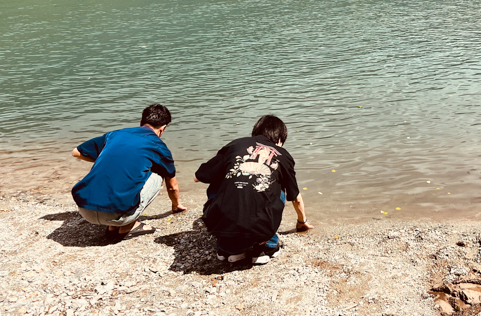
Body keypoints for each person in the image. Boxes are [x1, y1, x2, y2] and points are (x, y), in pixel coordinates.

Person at [195, 115, 313, 265]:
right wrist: (302, 221)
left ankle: (227, 246)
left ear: (255, 132)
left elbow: (199, 176)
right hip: (262, 230)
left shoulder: (236, 145)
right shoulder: (283, 155)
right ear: (280, 139)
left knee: (217, 182)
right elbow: (295, 196)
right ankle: (266, 245)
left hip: (219, 227)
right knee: (278, 187)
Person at [71, 103, 186, 241]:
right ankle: (127, 227)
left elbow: (76, 152)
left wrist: (107, 158)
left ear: (141, 122)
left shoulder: (115, 134)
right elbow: (172, 186)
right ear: (162, 129)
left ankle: (112, 227)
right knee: (158, 173)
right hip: (115, 215)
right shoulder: (158, 146)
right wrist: (176, 205)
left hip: (84, 209)